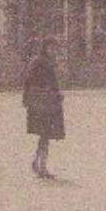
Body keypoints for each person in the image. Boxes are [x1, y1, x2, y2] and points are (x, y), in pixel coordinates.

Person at [23, 38, 65, 178]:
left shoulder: (48, 62)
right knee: (45, 134)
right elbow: (29, 81)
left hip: (49, 102)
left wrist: (57, 94)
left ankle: (37, 163)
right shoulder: (38, 62)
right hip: (42, 102)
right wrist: (27, 98)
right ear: (45, 47)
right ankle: (42, 167)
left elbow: (53, 82)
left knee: (45, 135)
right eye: (51, 48)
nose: (53, 51)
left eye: (55, 48)